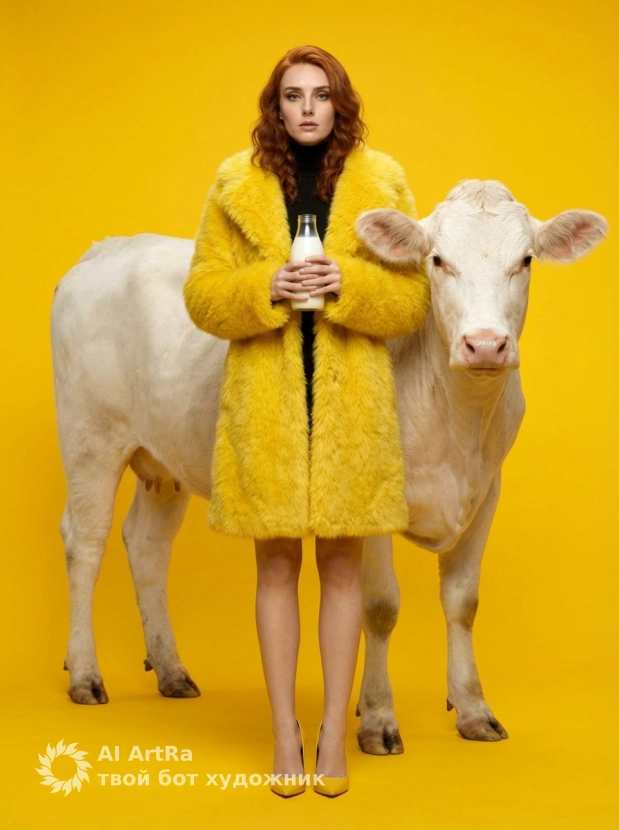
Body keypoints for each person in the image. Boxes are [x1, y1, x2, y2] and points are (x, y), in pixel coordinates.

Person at [183, 45, 429, 798]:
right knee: (276, 566)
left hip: (352, 406)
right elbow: (202, 296)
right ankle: (283, 731)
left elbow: (413, 302)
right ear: (276, 106)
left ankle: (331, 734)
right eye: (293, 96)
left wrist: (348, 282)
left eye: (320, 94)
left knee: (346, 567)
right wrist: (268, 285)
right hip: (267, 404)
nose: (308, 108)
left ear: (340, 102)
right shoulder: (235, 183)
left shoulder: (383, 180)